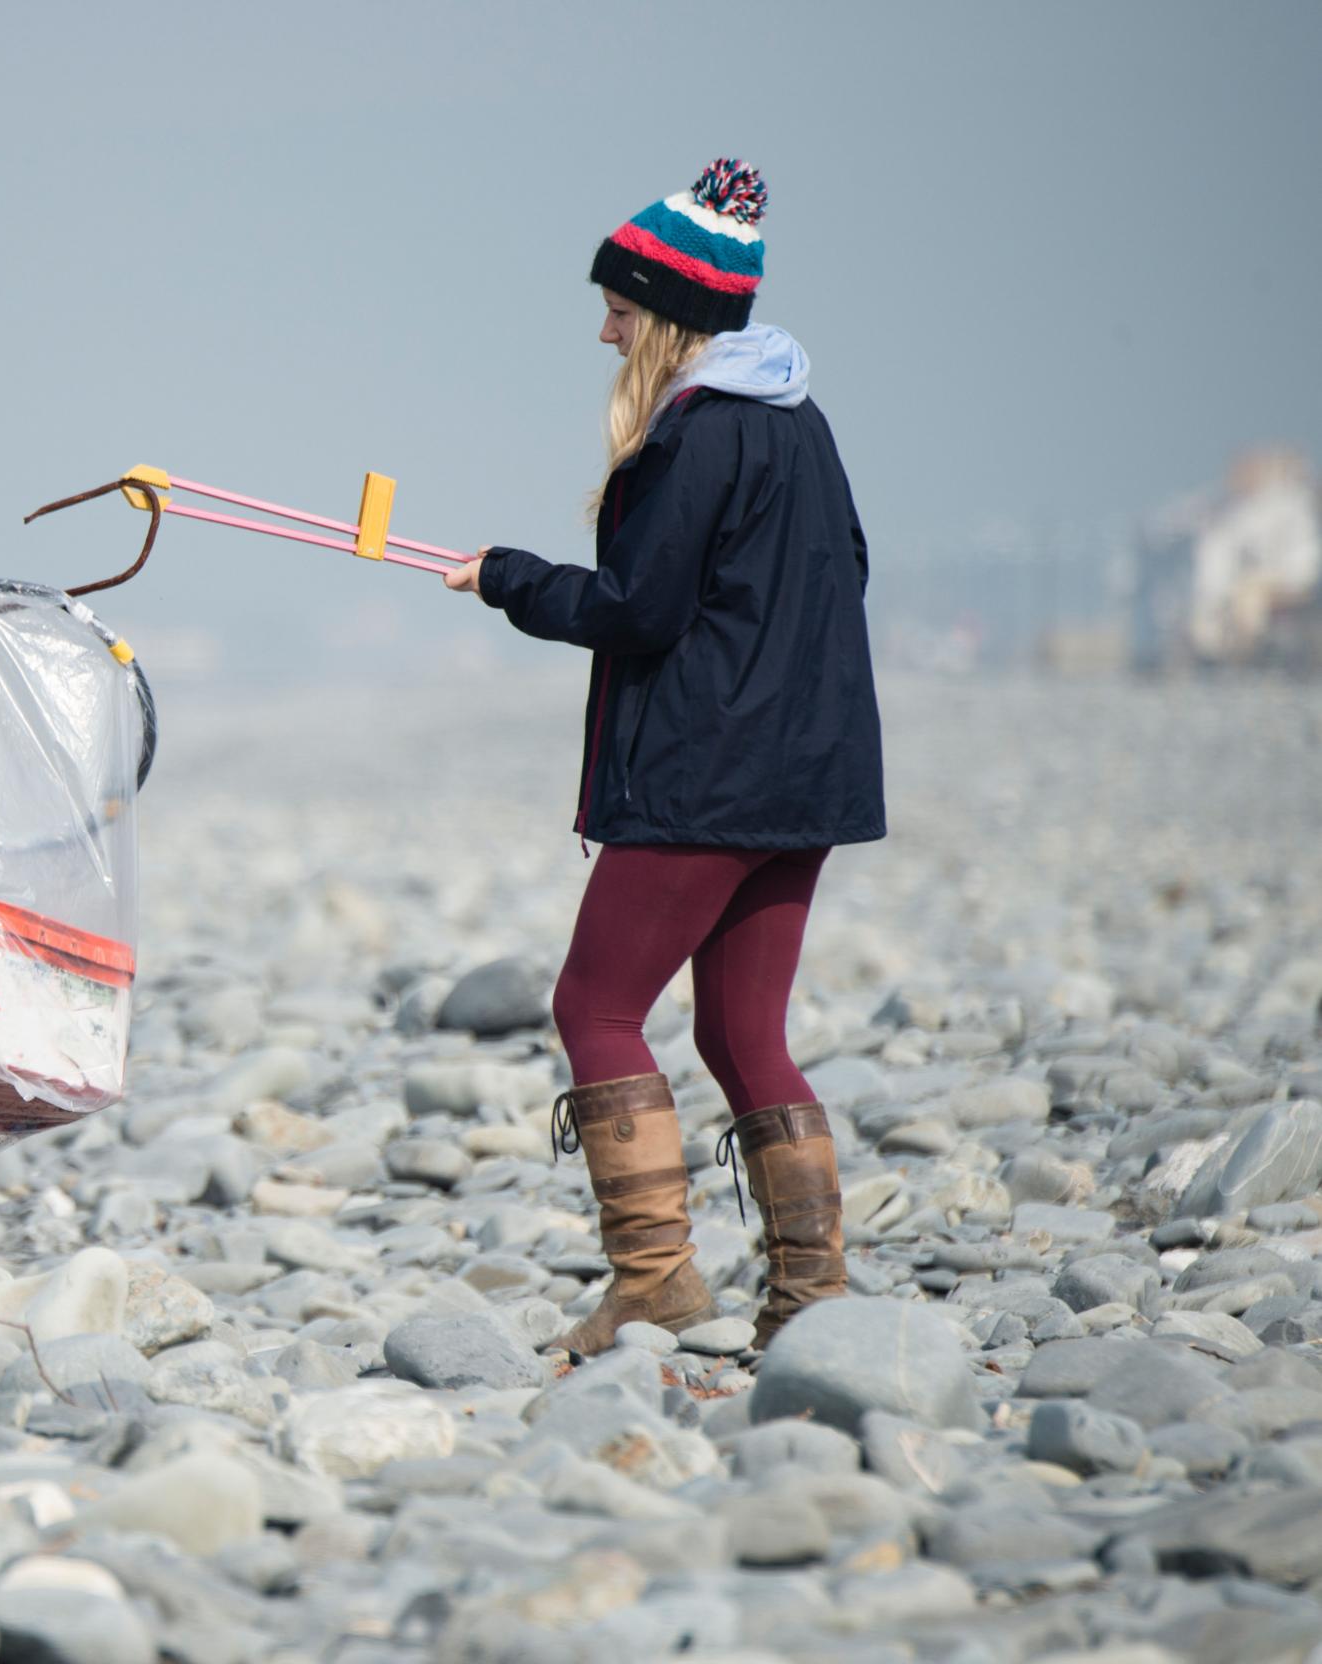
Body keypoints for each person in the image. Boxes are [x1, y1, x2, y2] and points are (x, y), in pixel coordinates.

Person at [445, 160, 883, 1355]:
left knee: (593, 1004)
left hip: (707, 780)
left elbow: (638, 609)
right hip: (806, 782)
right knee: (742, 1036)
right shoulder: (803, 423)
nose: (603, 329)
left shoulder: (695, 434)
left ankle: (654, 1279)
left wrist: (507, 580)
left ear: (671, 316)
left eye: (620, 310)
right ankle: (811, 1299)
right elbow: (841, 572)